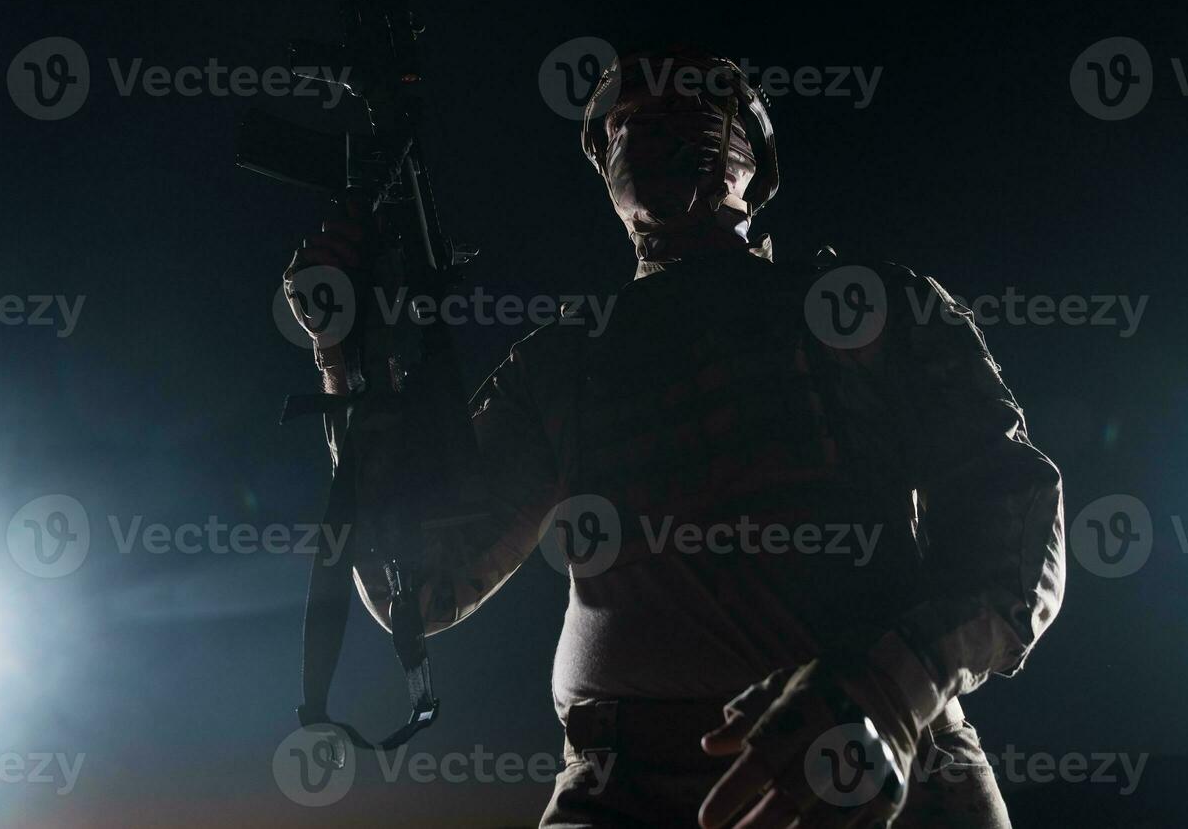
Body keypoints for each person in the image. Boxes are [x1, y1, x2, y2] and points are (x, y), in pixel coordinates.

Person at [283, 46, 1065, 827]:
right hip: (626, 789)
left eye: (690, 111)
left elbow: (1015, 511)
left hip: (878, 758)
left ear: (754, 160)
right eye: (624, 122)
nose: (648, 134)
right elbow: (416, 587)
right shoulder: (565, 362)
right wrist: (349, 359)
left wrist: (896, 684)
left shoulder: (871, 307)